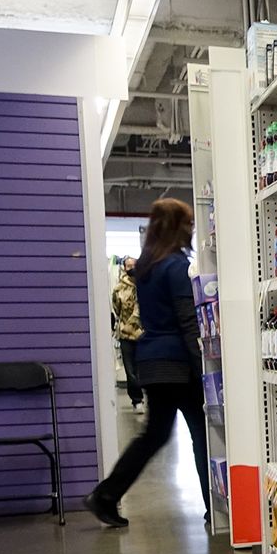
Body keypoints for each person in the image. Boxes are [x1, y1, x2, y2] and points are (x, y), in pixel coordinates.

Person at [84, 199, 209, 528]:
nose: (192, 228)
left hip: (151, 359)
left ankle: (106, 495)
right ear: (176, 227)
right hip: (177, 364)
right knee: (202, 434)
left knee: (154, 434)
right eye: (188, 223)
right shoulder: (176, 266)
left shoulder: (147, 267)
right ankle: (216, 509)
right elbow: (187, 322)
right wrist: (205, 371)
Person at [110, 255, 144, 409]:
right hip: (126, 334)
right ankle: (137, 400)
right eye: (129, 266)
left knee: (143, 369)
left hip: (144, 334)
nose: (132, 268)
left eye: (134, 265)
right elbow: (116, 309)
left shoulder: (146, 284)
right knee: (130, 371)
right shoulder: (119, 288)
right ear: (124, 267)